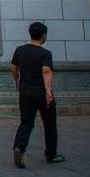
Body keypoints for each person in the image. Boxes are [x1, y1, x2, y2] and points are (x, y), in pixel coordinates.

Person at [11, 22, 64, 168]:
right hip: (41, 93)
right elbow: (46, 71)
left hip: (25, 93)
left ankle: (19, 147)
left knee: (26, 123)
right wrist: (48, 91)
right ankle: (51, 154)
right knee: (49, 124)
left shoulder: (20, 50)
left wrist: (17, 80)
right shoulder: (45, 53)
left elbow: (13, 67)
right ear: (44, 36)